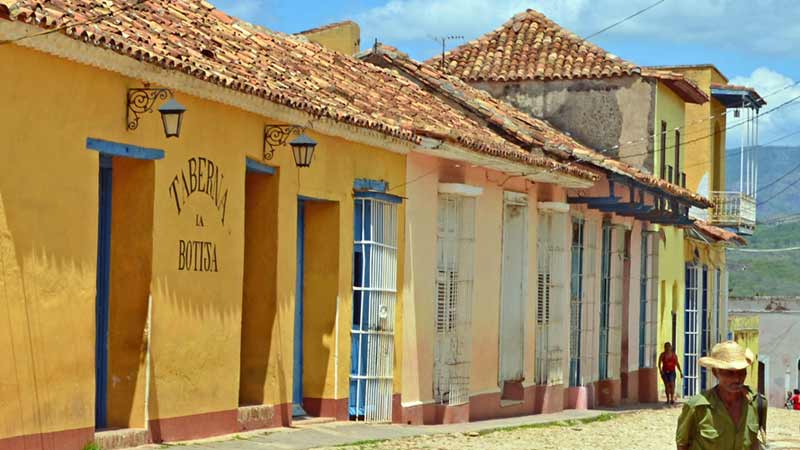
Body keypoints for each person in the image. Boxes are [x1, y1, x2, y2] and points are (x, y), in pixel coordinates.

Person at [676, 340, 766, 450]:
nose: (737, 379)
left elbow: (754, 442)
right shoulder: (697, 407)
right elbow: (682, 445)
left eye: (741, 371)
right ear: (715, 372)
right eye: (729, 372)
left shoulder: (758, 403)